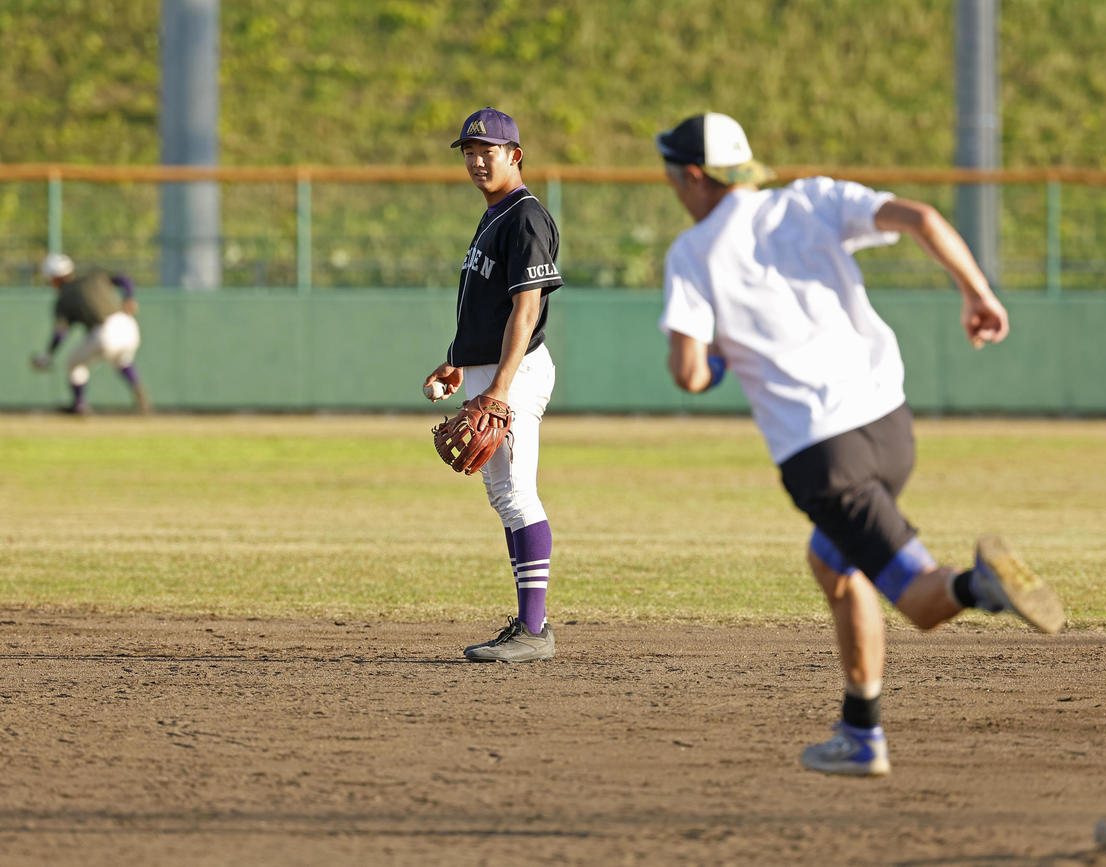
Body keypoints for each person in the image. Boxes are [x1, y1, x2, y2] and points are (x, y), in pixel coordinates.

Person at [654, 112, 1065, 776]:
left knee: (921, 598)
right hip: (890, 428)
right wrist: (977, 293)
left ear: (696, 176)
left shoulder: (693, 253)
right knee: (834, 564)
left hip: (824, 458)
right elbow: (923, 217)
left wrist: (725, 356)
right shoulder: (808, 198)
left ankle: (979, 583)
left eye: (673, 174)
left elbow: (688, 372)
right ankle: (861, 730)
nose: (674, 185)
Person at [424, 107, 564, 663]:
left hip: (516, 372)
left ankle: (534, 631)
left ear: (515, 155)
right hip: (490, 370)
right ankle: (530, 625)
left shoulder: (525, 217)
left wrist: (499, 388)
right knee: (503, 497)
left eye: (489, 150)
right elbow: (489, 310)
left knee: (515, 494)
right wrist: (458, 362)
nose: (478, 160)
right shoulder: (496, 215)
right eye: (469, 151)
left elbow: (524, 312)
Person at [30, 253, 151, 415]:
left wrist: (48, 355)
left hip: (105, 331)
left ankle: (79, 405)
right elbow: (124, 279)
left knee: (73, 363)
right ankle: (141, 399)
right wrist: (129, 298)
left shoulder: (64, 297)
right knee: (122, 360)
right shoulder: (94, 276)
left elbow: (60, 333)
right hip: (128, 324)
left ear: (54, 278)